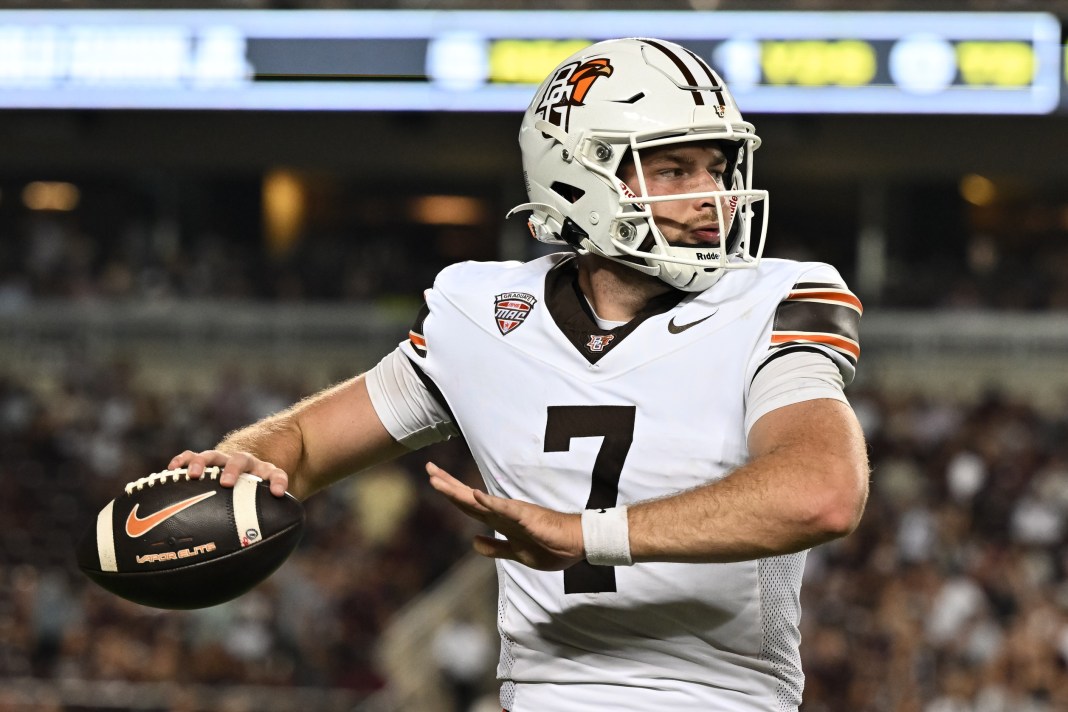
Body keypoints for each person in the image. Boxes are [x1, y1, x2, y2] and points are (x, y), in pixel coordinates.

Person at [170, 38, 869, 712]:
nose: (712, 196)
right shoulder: (484, 314)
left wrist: (586, 533)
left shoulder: (774, 297)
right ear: (581, 176)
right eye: (674, 170)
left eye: (717, 168)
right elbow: (307, 441)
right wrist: (248, 460)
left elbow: (823, 493)